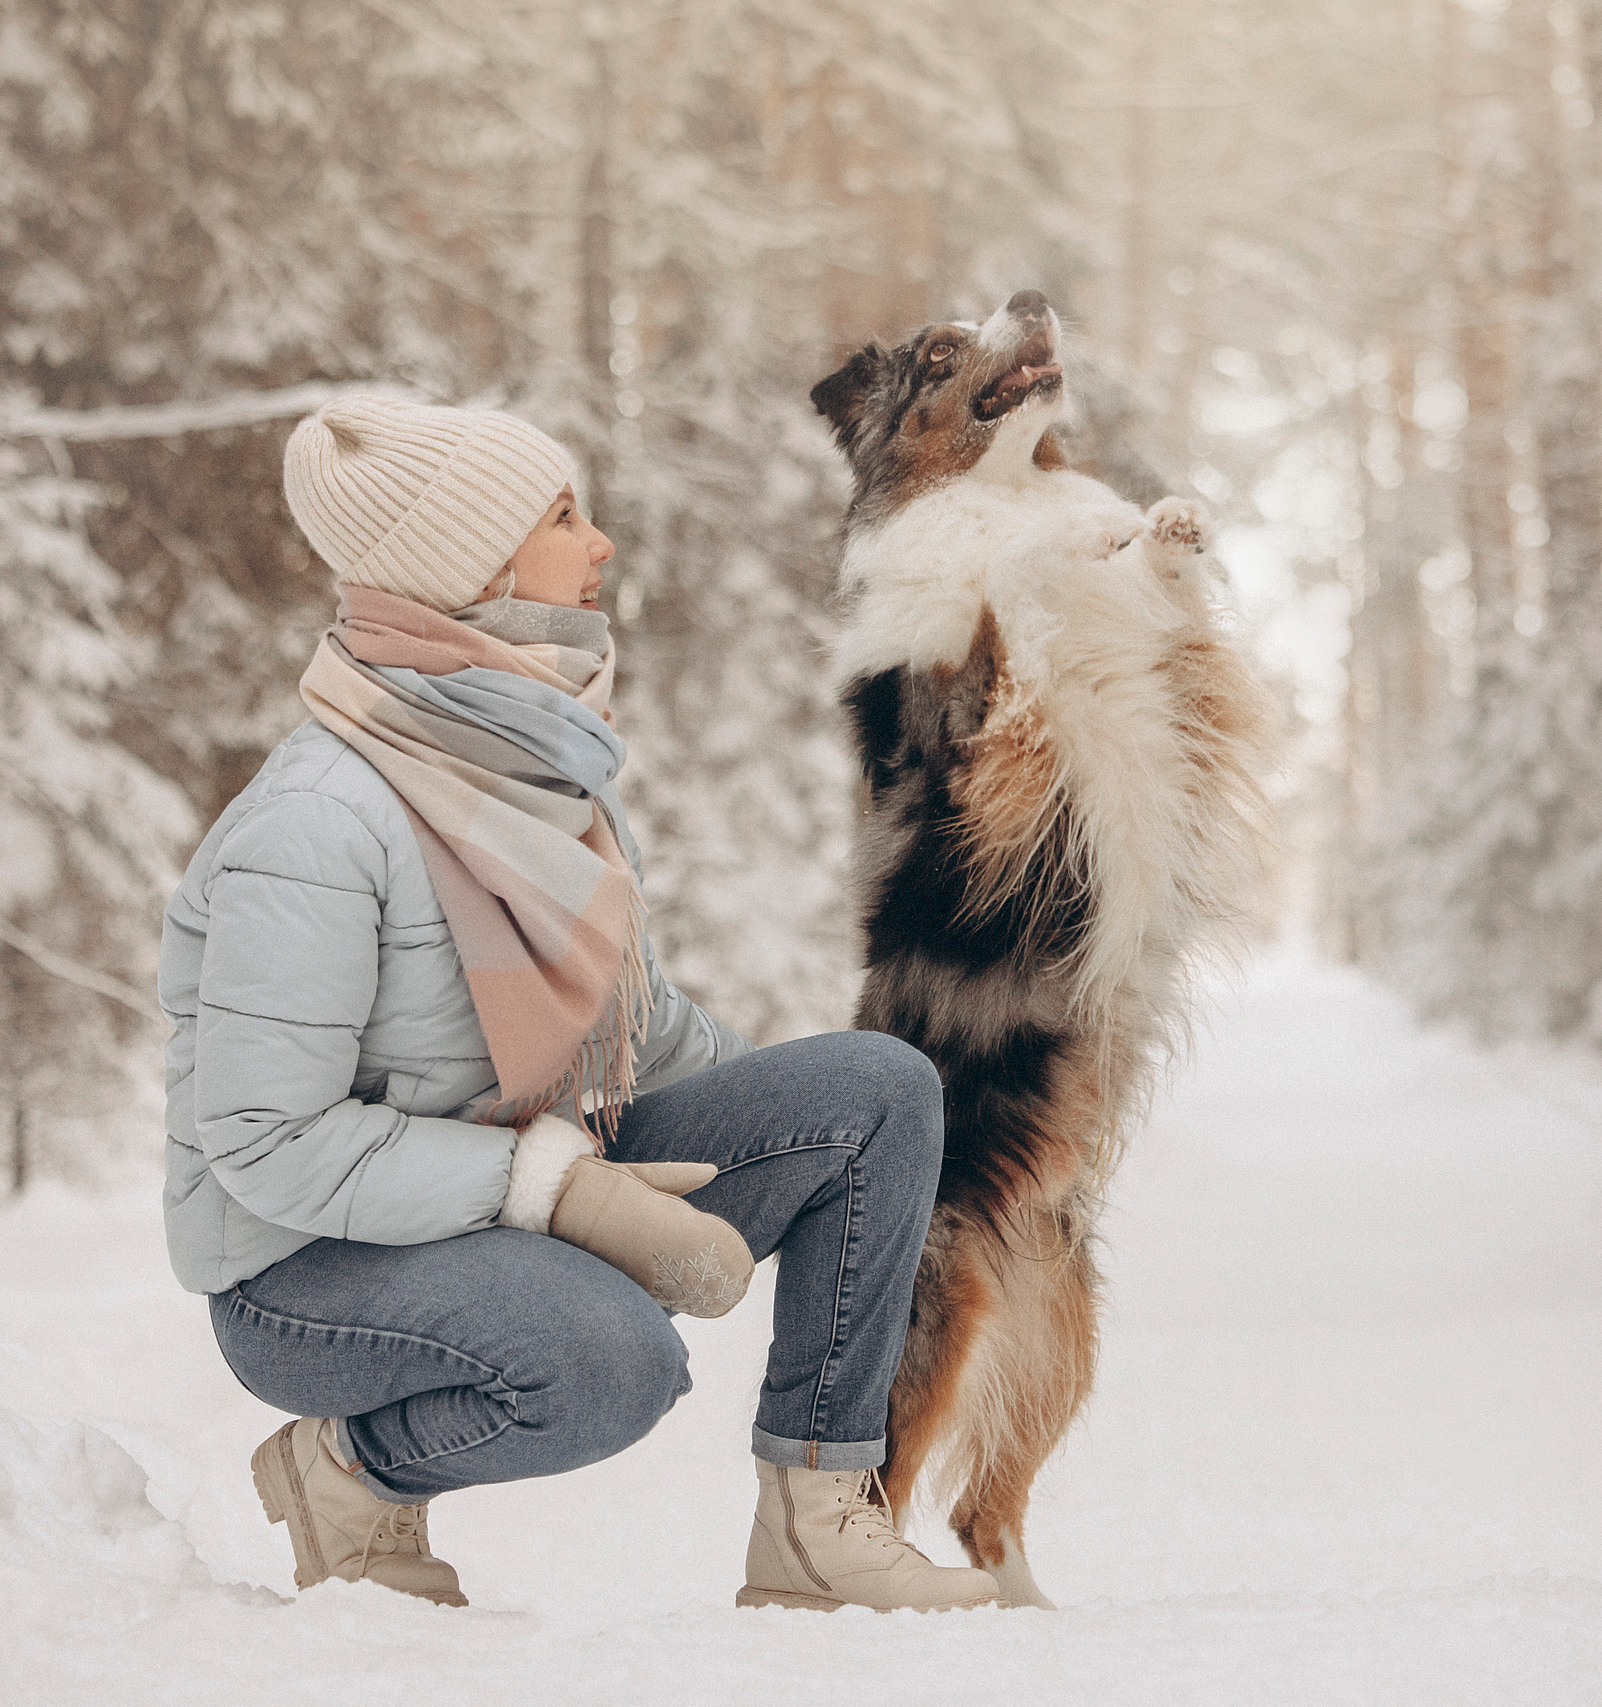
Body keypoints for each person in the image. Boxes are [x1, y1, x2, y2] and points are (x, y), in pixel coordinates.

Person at [157, 393, 997, 1614]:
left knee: (873, 1094)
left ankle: (817, 1524)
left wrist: (836, 1159)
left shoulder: (536, 765)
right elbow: (265, 1147)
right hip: (308, 1270)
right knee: (609, 1360)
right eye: (561, 517)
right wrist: (556, 1190)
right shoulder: (316, 825)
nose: (599, 543)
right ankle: (349, 1470)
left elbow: (636, 1029)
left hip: (504, 1184)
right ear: (469, 570)